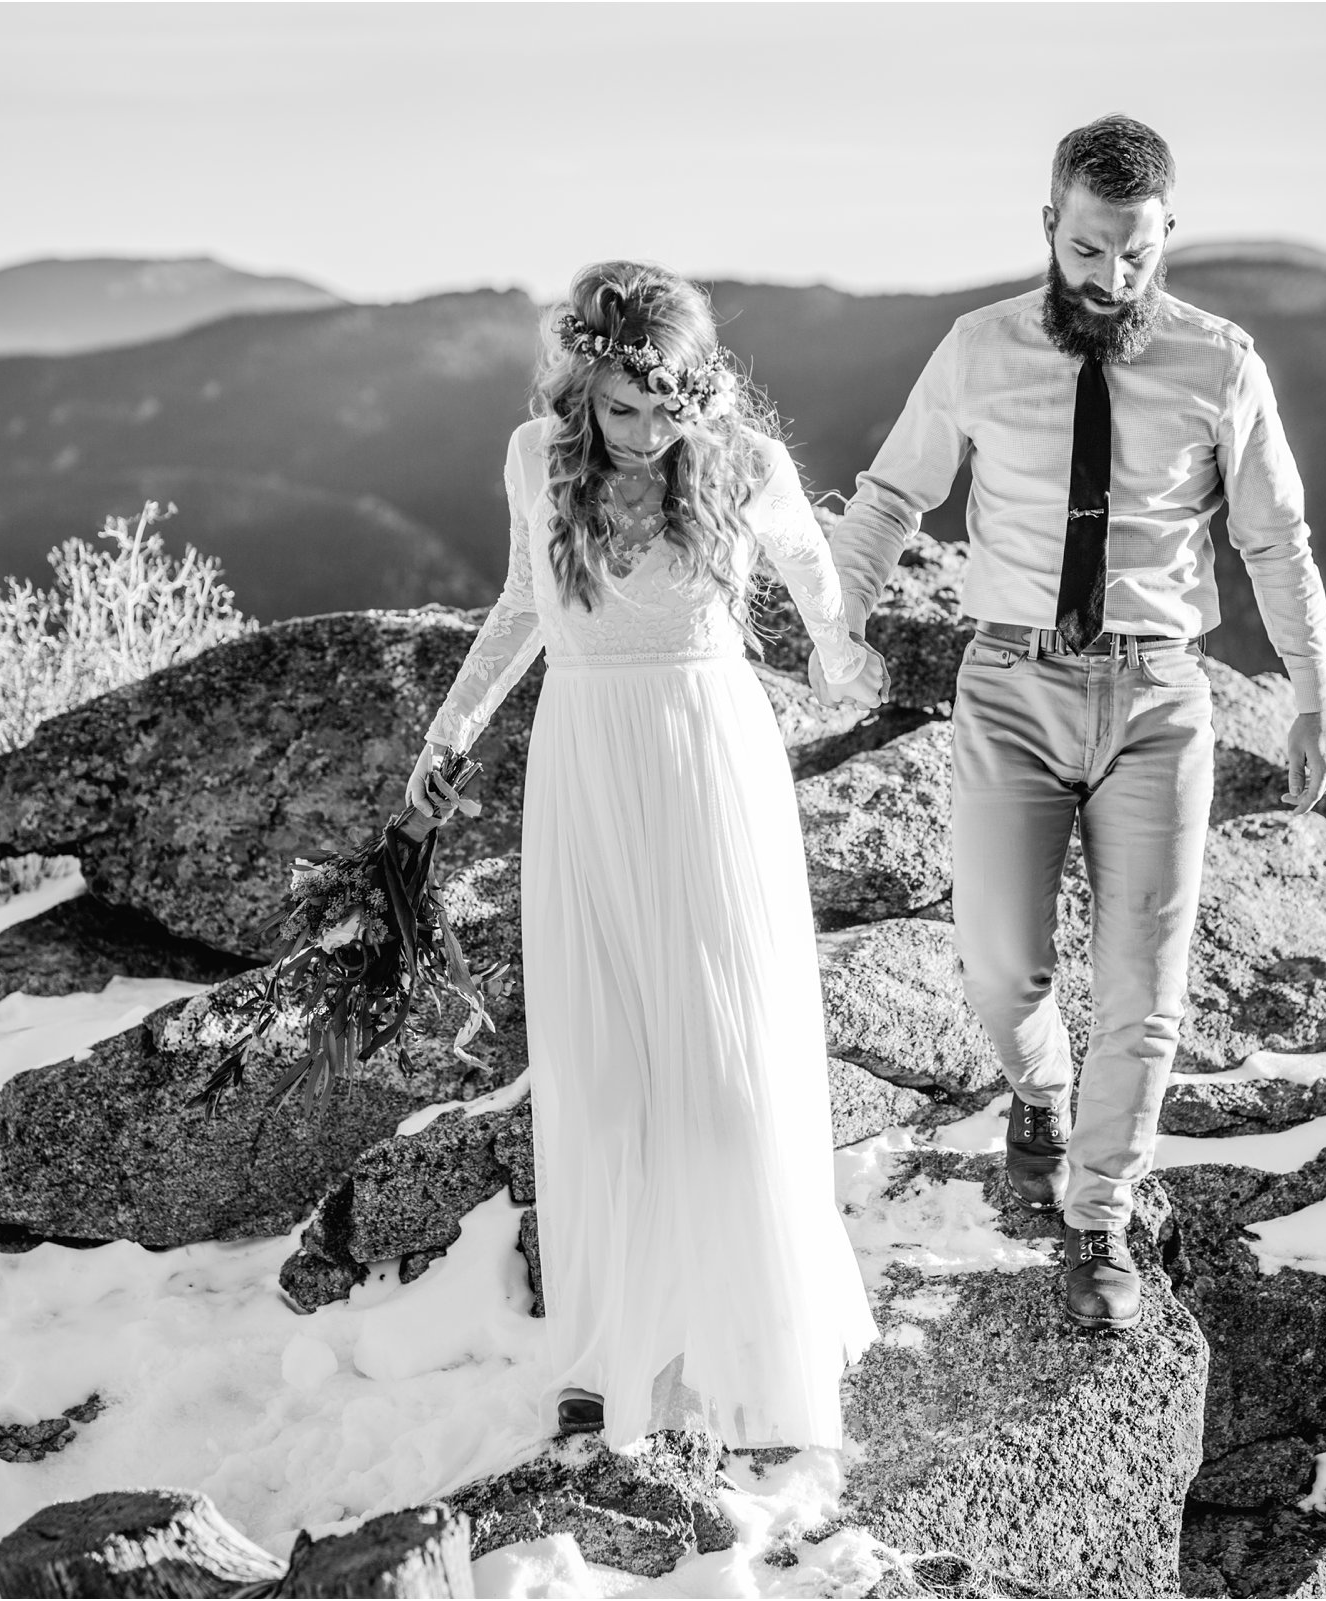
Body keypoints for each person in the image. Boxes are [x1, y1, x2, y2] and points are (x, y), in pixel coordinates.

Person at [822, 114, 1326, 1332]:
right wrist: (835, 622)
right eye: (1086, 251)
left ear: (1166, 236)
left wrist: (1314, 689)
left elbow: (1272, 534)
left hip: (1160, 696)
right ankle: (1039, 1088)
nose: (1110, 279)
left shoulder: (1219, 362)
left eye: (1134, 255)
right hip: (1008, 684)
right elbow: (893, 491)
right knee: (1001, 960)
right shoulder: (975, 348)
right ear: (1046, 225)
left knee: (1142, 983)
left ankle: (1100, 1214)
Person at [405, 262, 885, 1449]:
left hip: (710, 767)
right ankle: (618, 1345)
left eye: (668, 410)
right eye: (620, 409)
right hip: (582, 764)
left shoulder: (742, 465)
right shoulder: (535, 460)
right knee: (603, 1072)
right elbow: (524, 601)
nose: (643, 432)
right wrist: (447, 733)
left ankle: (752, 1341)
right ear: (579, 388)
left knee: (725, 1066)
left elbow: (820, 590)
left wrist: (842, 659)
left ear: (701, 394)